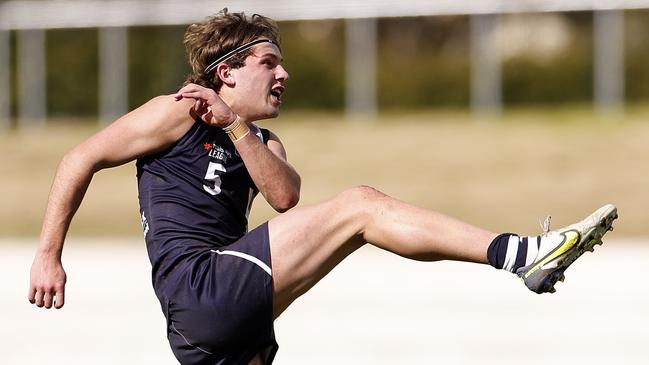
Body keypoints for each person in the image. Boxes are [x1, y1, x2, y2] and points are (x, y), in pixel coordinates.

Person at [28, 9, 618, 365]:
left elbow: (285, 197)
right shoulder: (177, 110)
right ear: (226, 71)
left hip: (218, 325)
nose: (283, 74)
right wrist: (49, 254)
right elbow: (79, 158)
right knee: (361, 205)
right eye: (268, 62)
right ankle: (522, 255)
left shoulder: (256, 141)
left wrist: (237, 128)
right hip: (199, 286)